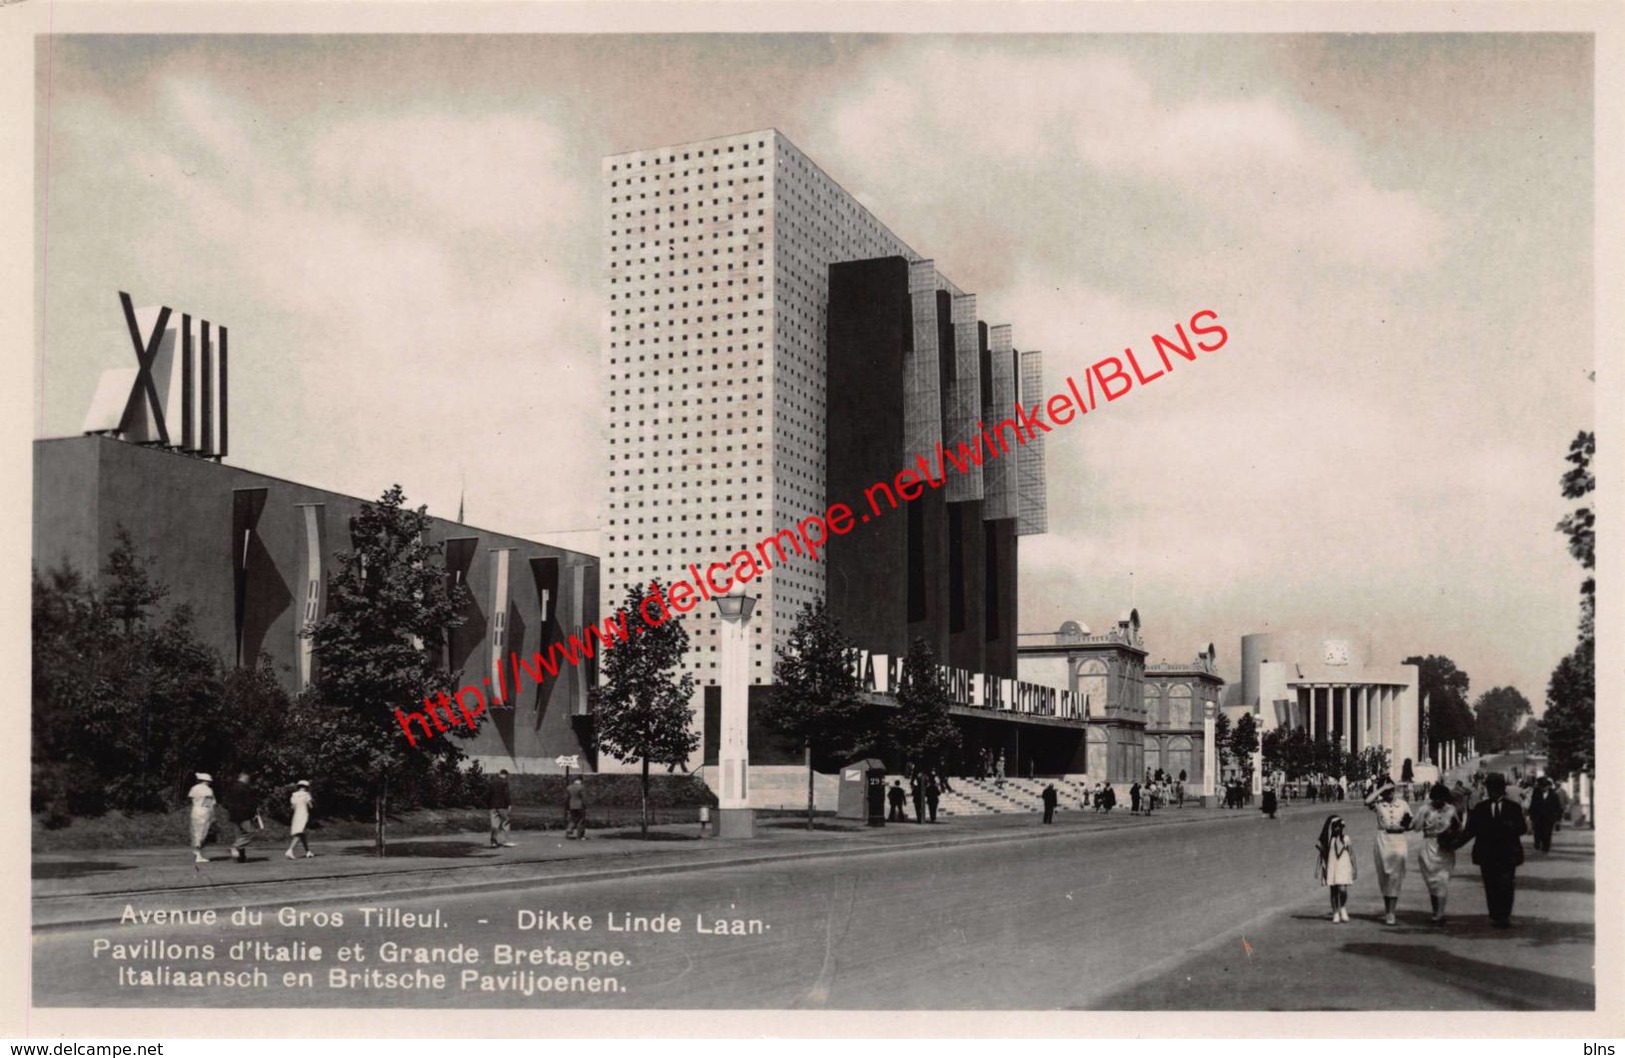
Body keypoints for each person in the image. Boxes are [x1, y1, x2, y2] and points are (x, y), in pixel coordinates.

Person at [1455, 772, 1527, 928]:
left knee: (1507, 885)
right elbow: (1469, 831)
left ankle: (1504, 916)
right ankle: (1495, 914)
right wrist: (1454, 844)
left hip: (1508, 854)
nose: (1493, 791)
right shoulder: (1480, 808)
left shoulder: (1513, 808)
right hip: (1487, 854)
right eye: (1490, 788)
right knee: (1490, 885)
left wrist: (1509, 826)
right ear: (1487, 789)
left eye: (1496, 788)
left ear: (1502, 789)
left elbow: (1522, 828)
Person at [1363, 779, 1412, 924]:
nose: (1389, 794)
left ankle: (1392, 912)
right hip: (1383, 840)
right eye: (1386, 791)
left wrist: (1403, 827)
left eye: (1391, 790)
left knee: (1396, 876)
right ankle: (1387, 910)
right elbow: (1367, 801)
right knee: (1384, 874)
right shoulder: (1379, 804)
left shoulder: (1403, 804)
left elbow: (1411, 822)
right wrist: (1381, 788)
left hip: (1399, 841)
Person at [1412, 782, 1461, 924]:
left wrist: (1452, 834)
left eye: (1442, 799)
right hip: (1429, 846)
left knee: (1443, 880)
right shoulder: (1424, 809)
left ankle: (1439, 914)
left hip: (1445, 847)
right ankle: (1436, 912)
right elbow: (1416, 827)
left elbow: (1458, 827)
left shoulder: (1451, 809)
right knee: (1432, 881)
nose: (1439, 802)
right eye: (1436, 799)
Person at [1316, 814, 1357, 922]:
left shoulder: (1346, 838)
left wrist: (1355, 868)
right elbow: (1321, 856)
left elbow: (1352, 853)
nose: (1338, 829)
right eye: (1335, 827)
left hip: (1344, 866)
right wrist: (1318, 870)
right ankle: (1335, 912)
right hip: (1332, 866)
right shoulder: (1328, 841)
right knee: (1334, 890)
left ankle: (1342, 907)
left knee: (1342, 889)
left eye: (1339, 826)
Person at [222, 771, 262, 863]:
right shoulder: (246, 788)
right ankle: (235, 847)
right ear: (244, 777)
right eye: (247, 778)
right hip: (244, 815)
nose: (248, 780)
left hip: (234, 815)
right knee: (250, 833)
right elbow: (250, 802)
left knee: (239, 835)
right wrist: (253, 812)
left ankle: (241, 857)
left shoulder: (231, 788)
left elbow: (225, 803)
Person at [187, 773, 216, 864]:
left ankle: (196, 851)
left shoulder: (194, 788)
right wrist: (213, 815)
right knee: (203, 832)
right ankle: (198, 854)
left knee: (195, 831)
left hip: (195, 810)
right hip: (204, 811)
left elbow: (191, 798)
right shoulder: (208, 790)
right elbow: (211, 803)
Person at [1528, 776, 1563, 853]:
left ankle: (1546, 847)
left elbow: (1557, 807)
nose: (1543, 788)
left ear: (1548, 786)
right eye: (1541, 786)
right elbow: (1533, 805)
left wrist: (1557, 819)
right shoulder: (1536, 793)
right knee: (1537, 832)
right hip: (1537, 817)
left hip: (1549, 818)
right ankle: (1537, 843)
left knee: (1547, 833)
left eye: (1544, 786)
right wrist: (1531, 815)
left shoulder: (1553, 795)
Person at [285, 780, 315, 860]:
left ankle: (308, 851)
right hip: (304, 815)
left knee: (301, 833)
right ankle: (290, 850)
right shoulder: (307, 795)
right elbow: (311, 806)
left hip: (296, 815)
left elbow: (293, 807)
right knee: (299, 833)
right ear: (306, 787)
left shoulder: (294, 795)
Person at [489, 768, 515, 847]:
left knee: (494, 824)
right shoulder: (504, 783)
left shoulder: (492, 782)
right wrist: (509, 804)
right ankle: (505, 840)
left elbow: (488, 794)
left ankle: (493, 841)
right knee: (505, 822)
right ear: (505, 775)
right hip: (502, 806)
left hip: (493, 806)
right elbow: (506, 794)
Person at [565, 774, 587, 839]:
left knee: (572, 819)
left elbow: (567, 798)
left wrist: (567, 806)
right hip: (580, 806)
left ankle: (569, 830)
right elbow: (584, 798)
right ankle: (580, 835)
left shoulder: (569, 787)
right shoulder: (582, 787)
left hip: (571, 805)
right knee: (581, 820)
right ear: (581, 780)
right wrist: (585, 805)